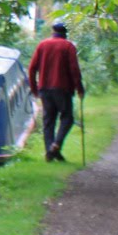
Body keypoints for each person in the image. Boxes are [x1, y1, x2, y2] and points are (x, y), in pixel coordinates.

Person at [28, 21, 85, 162]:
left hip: (45, 89)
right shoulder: (68, 46)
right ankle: (56, 145)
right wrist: (80, 88)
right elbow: (74, 70)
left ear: (53, 31)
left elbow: (32, 68)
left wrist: (34, 89)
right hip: (62, 89)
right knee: (67, 118)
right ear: (65, 33)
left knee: (48, 121)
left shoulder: (42, 45)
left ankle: (50, 152)